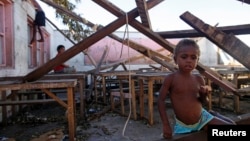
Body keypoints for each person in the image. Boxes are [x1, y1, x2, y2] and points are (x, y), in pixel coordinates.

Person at [157, 39, 236, 139]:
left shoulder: (199, 79)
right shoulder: (171, 79)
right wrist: (166, 125)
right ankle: (212, 115)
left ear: (197, 61)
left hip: (202, 119)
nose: (189, 60)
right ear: (175, 59)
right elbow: (160, 100)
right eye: (184, 57)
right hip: (183, 125)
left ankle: (211, 114)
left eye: (193, 58)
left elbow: (204, 102)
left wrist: (204, 94)